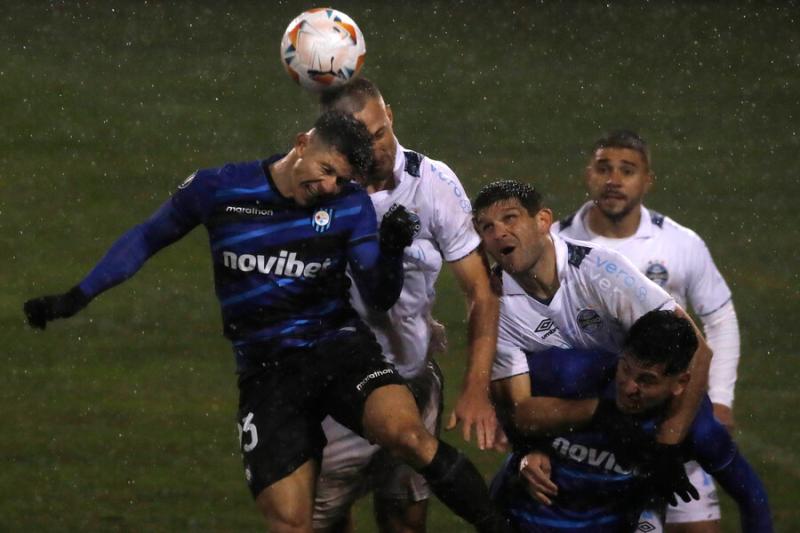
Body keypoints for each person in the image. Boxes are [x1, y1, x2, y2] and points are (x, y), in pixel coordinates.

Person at [23, 110, 509, 533]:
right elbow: (146, 238)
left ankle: (498, 526)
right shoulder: (219, 189)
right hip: (267, 373)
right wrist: (75, 296)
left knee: (408, 436)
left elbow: (379, 297)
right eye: (325, 171)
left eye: (341, 179)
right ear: (301, 144)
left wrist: (390, 248)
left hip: (336, 349)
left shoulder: (347, 206)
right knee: (290, 522)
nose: (329, 187)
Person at [313, 78, 500, 533]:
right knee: (322, 518)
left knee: (405, 518)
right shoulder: (320, 188)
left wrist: (476, 387)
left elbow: (481, 292)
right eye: (362, 139)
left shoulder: (432, 183)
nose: (376, 147)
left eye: (380, 132)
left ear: (390, 116)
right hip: (339, 387)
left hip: (413, 380)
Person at [471, 179, 712, 505]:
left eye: (510, 218)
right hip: (577, 431)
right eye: (487, 227)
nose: (498, 232)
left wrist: (667, 446)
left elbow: (698, 350)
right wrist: (601, 417)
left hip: (656, 419)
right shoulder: (492, 307)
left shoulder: (602, 271)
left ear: (542, 221)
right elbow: (522, 412)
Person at [554, 130, 740, 532]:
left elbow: (720, 319)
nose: (613, 180)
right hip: (596, 428)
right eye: (604, 168)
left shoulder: (680, 243)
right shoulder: (558, 243)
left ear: (647, 180)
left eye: (627, 170)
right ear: (589, 174)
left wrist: (720, 399)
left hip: (674, 414)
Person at [491, 310, 772, 532]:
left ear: (680, 383)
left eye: (647, 380)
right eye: (626, 368)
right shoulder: (571, 372)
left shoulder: (697, 429)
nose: (628, 387)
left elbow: (753, 497)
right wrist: (526, 449)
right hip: (518, 520)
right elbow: (503, 388)